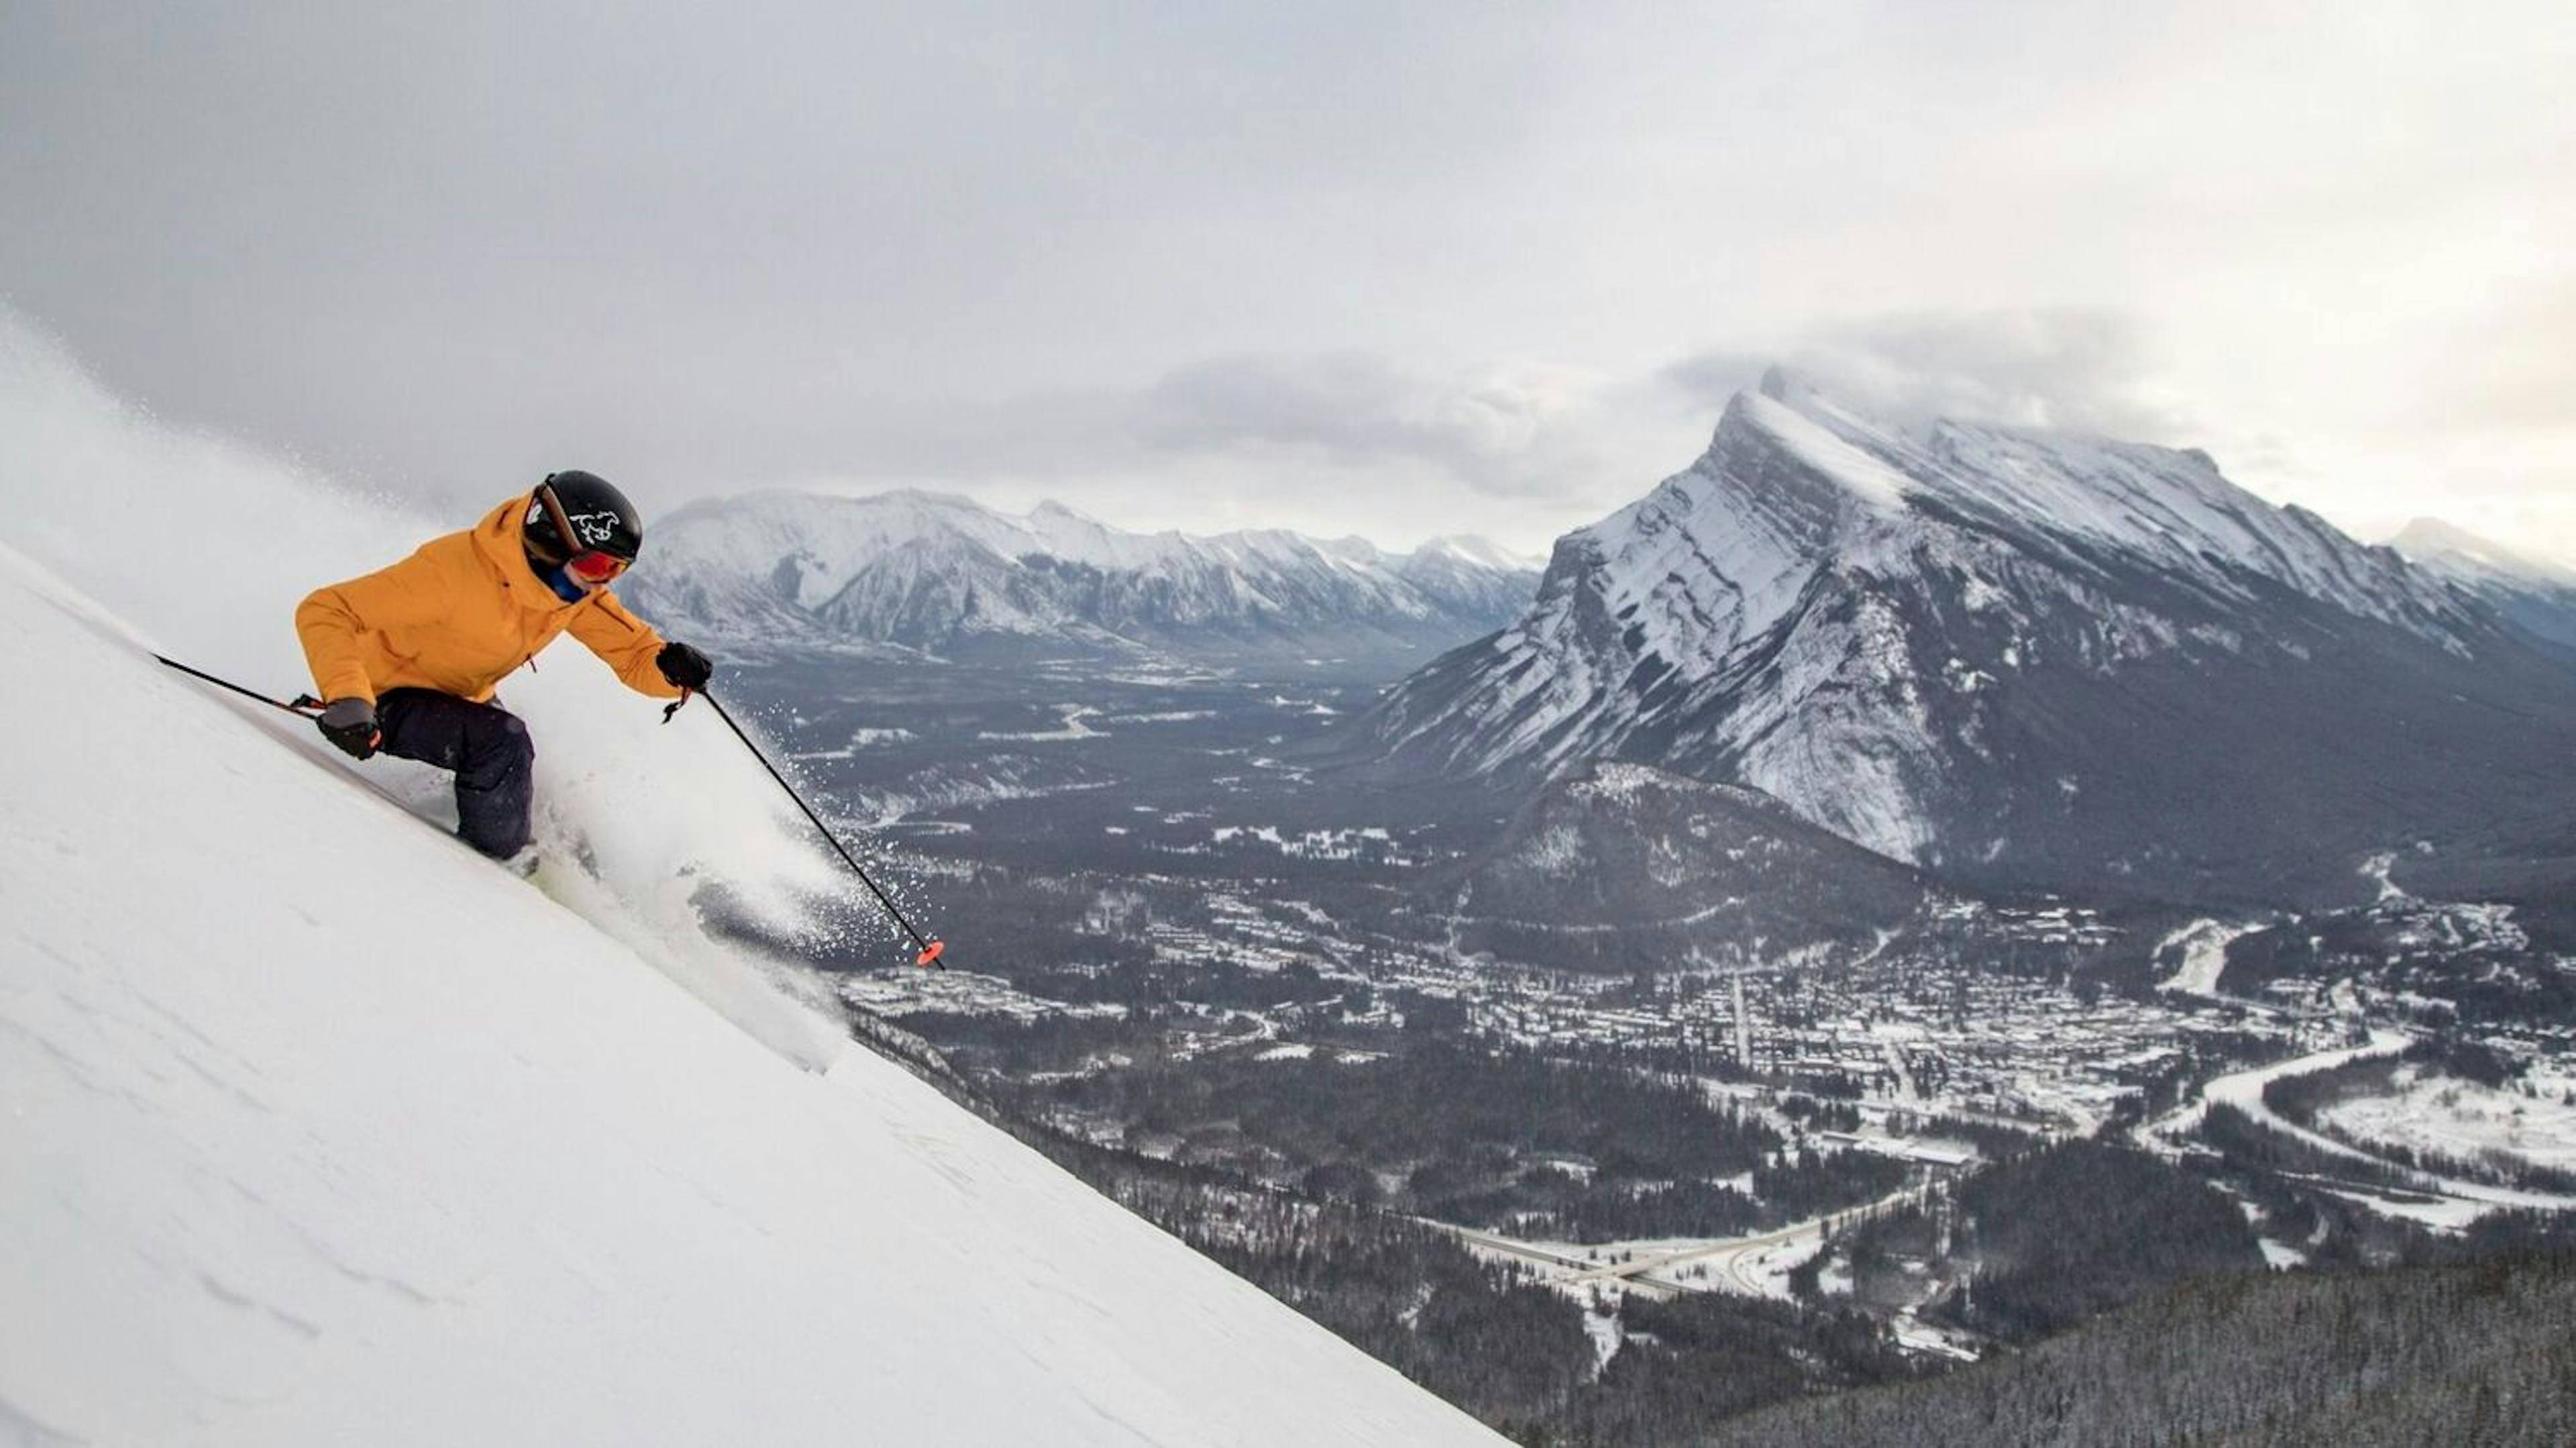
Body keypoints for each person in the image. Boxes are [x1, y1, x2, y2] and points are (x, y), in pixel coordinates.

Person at [294, 470, 714, 862]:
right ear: (551, 541)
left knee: (544, 792)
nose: (603, 582)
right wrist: (349, 699)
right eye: (597, 566)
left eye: (616, 570)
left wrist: (670, 670)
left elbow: (634, 655)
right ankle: (497, 873)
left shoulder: (569, 594)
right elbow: (327, 610)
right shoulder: (453, 573)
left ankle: (545, 861)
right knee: (506, 746)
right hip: (378, 699)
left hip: (454, 695)